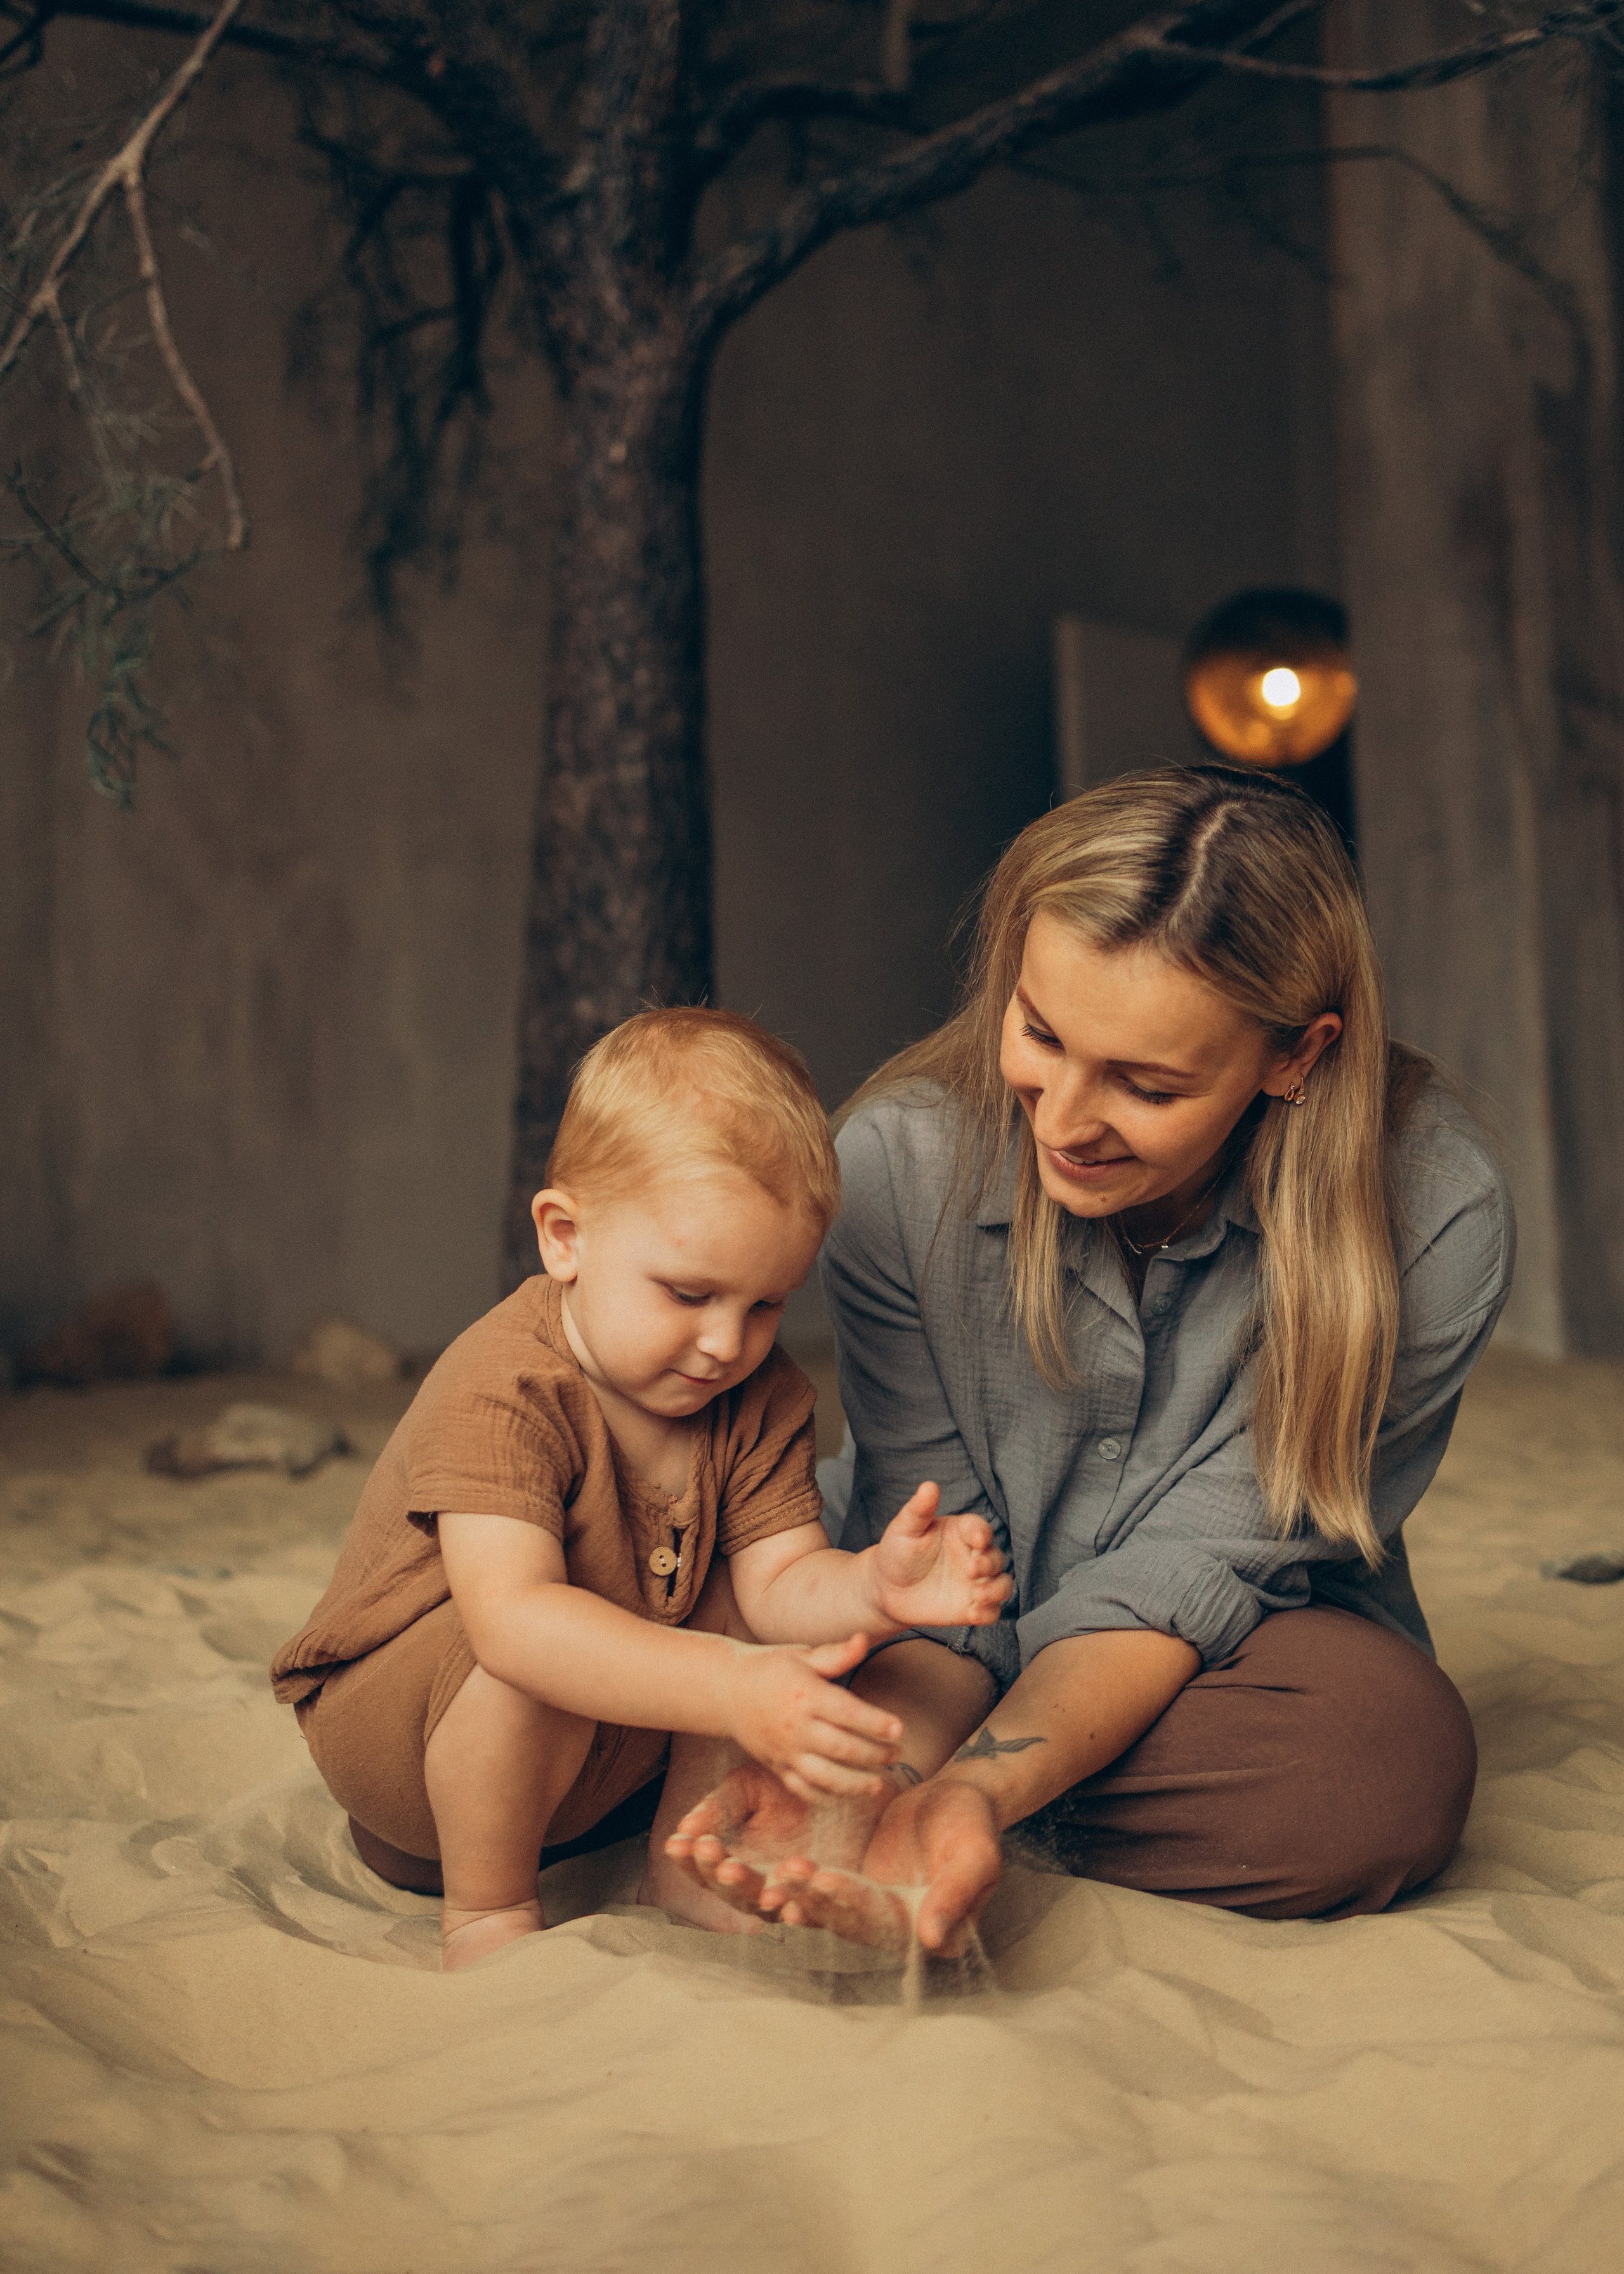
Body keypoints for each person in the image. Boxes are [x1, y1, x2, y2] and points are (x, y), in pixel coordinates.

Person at [668, 766, 1513, 1958]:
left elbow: (1199, 1566)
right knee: (453, 1771)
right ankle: (905, 1801)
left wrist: (976, 1791)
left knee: (1383, 1766)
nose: (1062, 1118)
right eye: (1041, 1033)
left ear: (1297, 1056)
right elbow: (939, 1562)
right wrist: (888, 1768)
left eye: (1147, 1083)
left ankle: (963, 1816)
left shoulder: (1432, 1213)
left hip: (1220, 1652)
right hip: (931, 1637)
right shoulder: (898, 1167)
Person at [270, 1009, 1010, 1968]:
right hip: (412, 1748)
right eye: (689, 1294)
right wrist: (733, 1685)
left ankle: (685, 1867)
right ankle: (489, 1915)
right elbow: (511, 1622)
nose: (726, 1343)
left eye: (766, 1303)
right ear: (566, 1237)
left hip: (597, 1762)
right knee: (543, 1646)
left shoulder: (759, 1392)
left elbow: (780, 1586)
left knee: (738, 1605)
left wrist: (875, 1586)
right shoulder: (506, 1381)